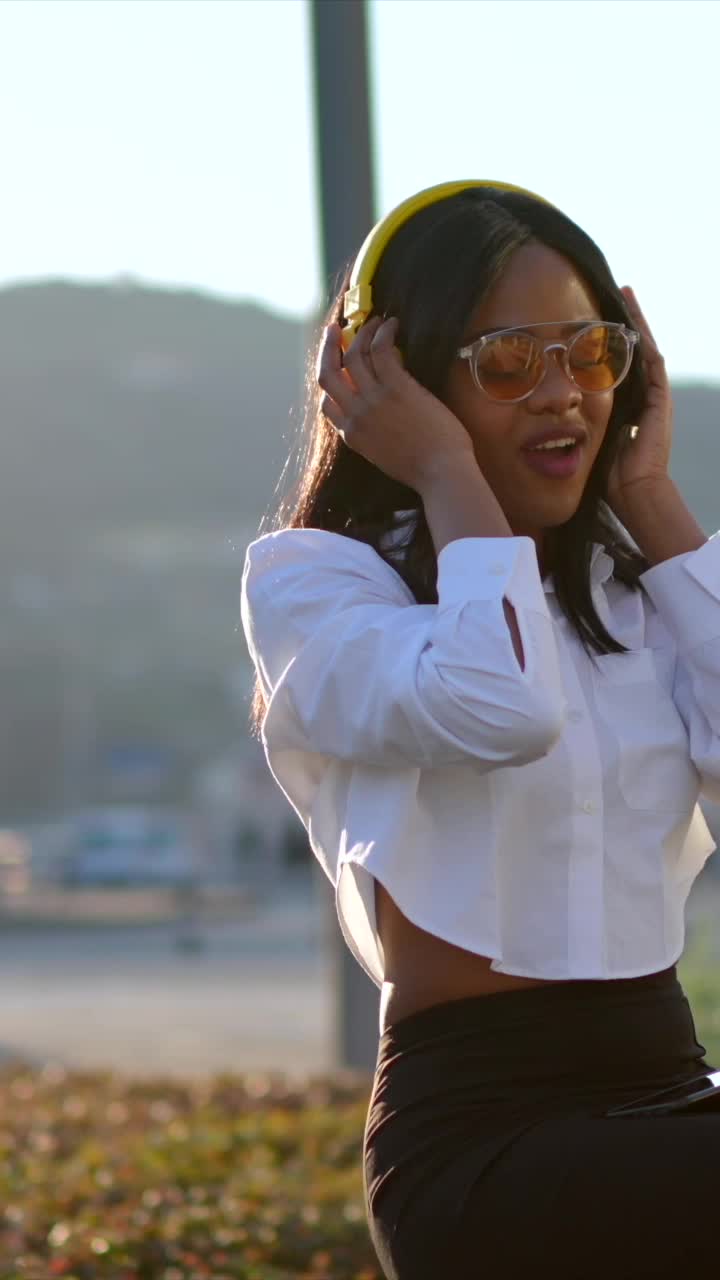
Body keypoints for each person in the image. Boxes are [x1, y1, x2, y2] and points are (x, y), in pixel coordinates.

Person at [240, 180, 720, 1279]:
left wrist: (648, 495)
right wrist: (451, 474)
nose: (562, 397)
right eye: (509, 362)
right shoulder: (321, 589)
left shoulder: (629, 586)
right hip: (488, 1144)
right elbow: (496, 702)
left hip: (671, 1093)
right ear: (401, 384)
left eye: (590, 354)